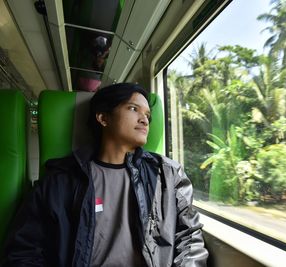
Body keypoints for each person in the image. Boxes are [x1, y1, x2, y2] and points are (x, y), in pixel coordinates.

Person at [2, 83, 208, 266]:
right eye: (133, 108)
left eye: (148, 115)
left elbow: (190, 237)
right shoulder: (60, 180)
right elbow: (24, 249)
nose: (144, 120)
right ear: (103, 118)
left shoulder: (169, 174)